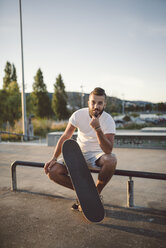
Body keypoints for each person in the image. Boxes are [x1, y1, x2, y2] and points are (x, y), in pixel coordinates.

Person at [44, 87, 117, 210]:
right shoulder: (78, 115)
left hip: (97, 157)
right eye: (93, 102)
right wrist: (54, 158)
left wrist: (98, 129)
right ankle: (86, 193)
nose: (96, 106)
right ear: (88, 102)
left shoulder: (108, 120)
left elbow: (108, 150)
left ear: (104, 104)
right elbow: (65, 136)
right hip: (78, 155)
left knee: (111, 160)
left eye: (100, 103)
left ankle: (95, 193)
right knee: (52, 171)